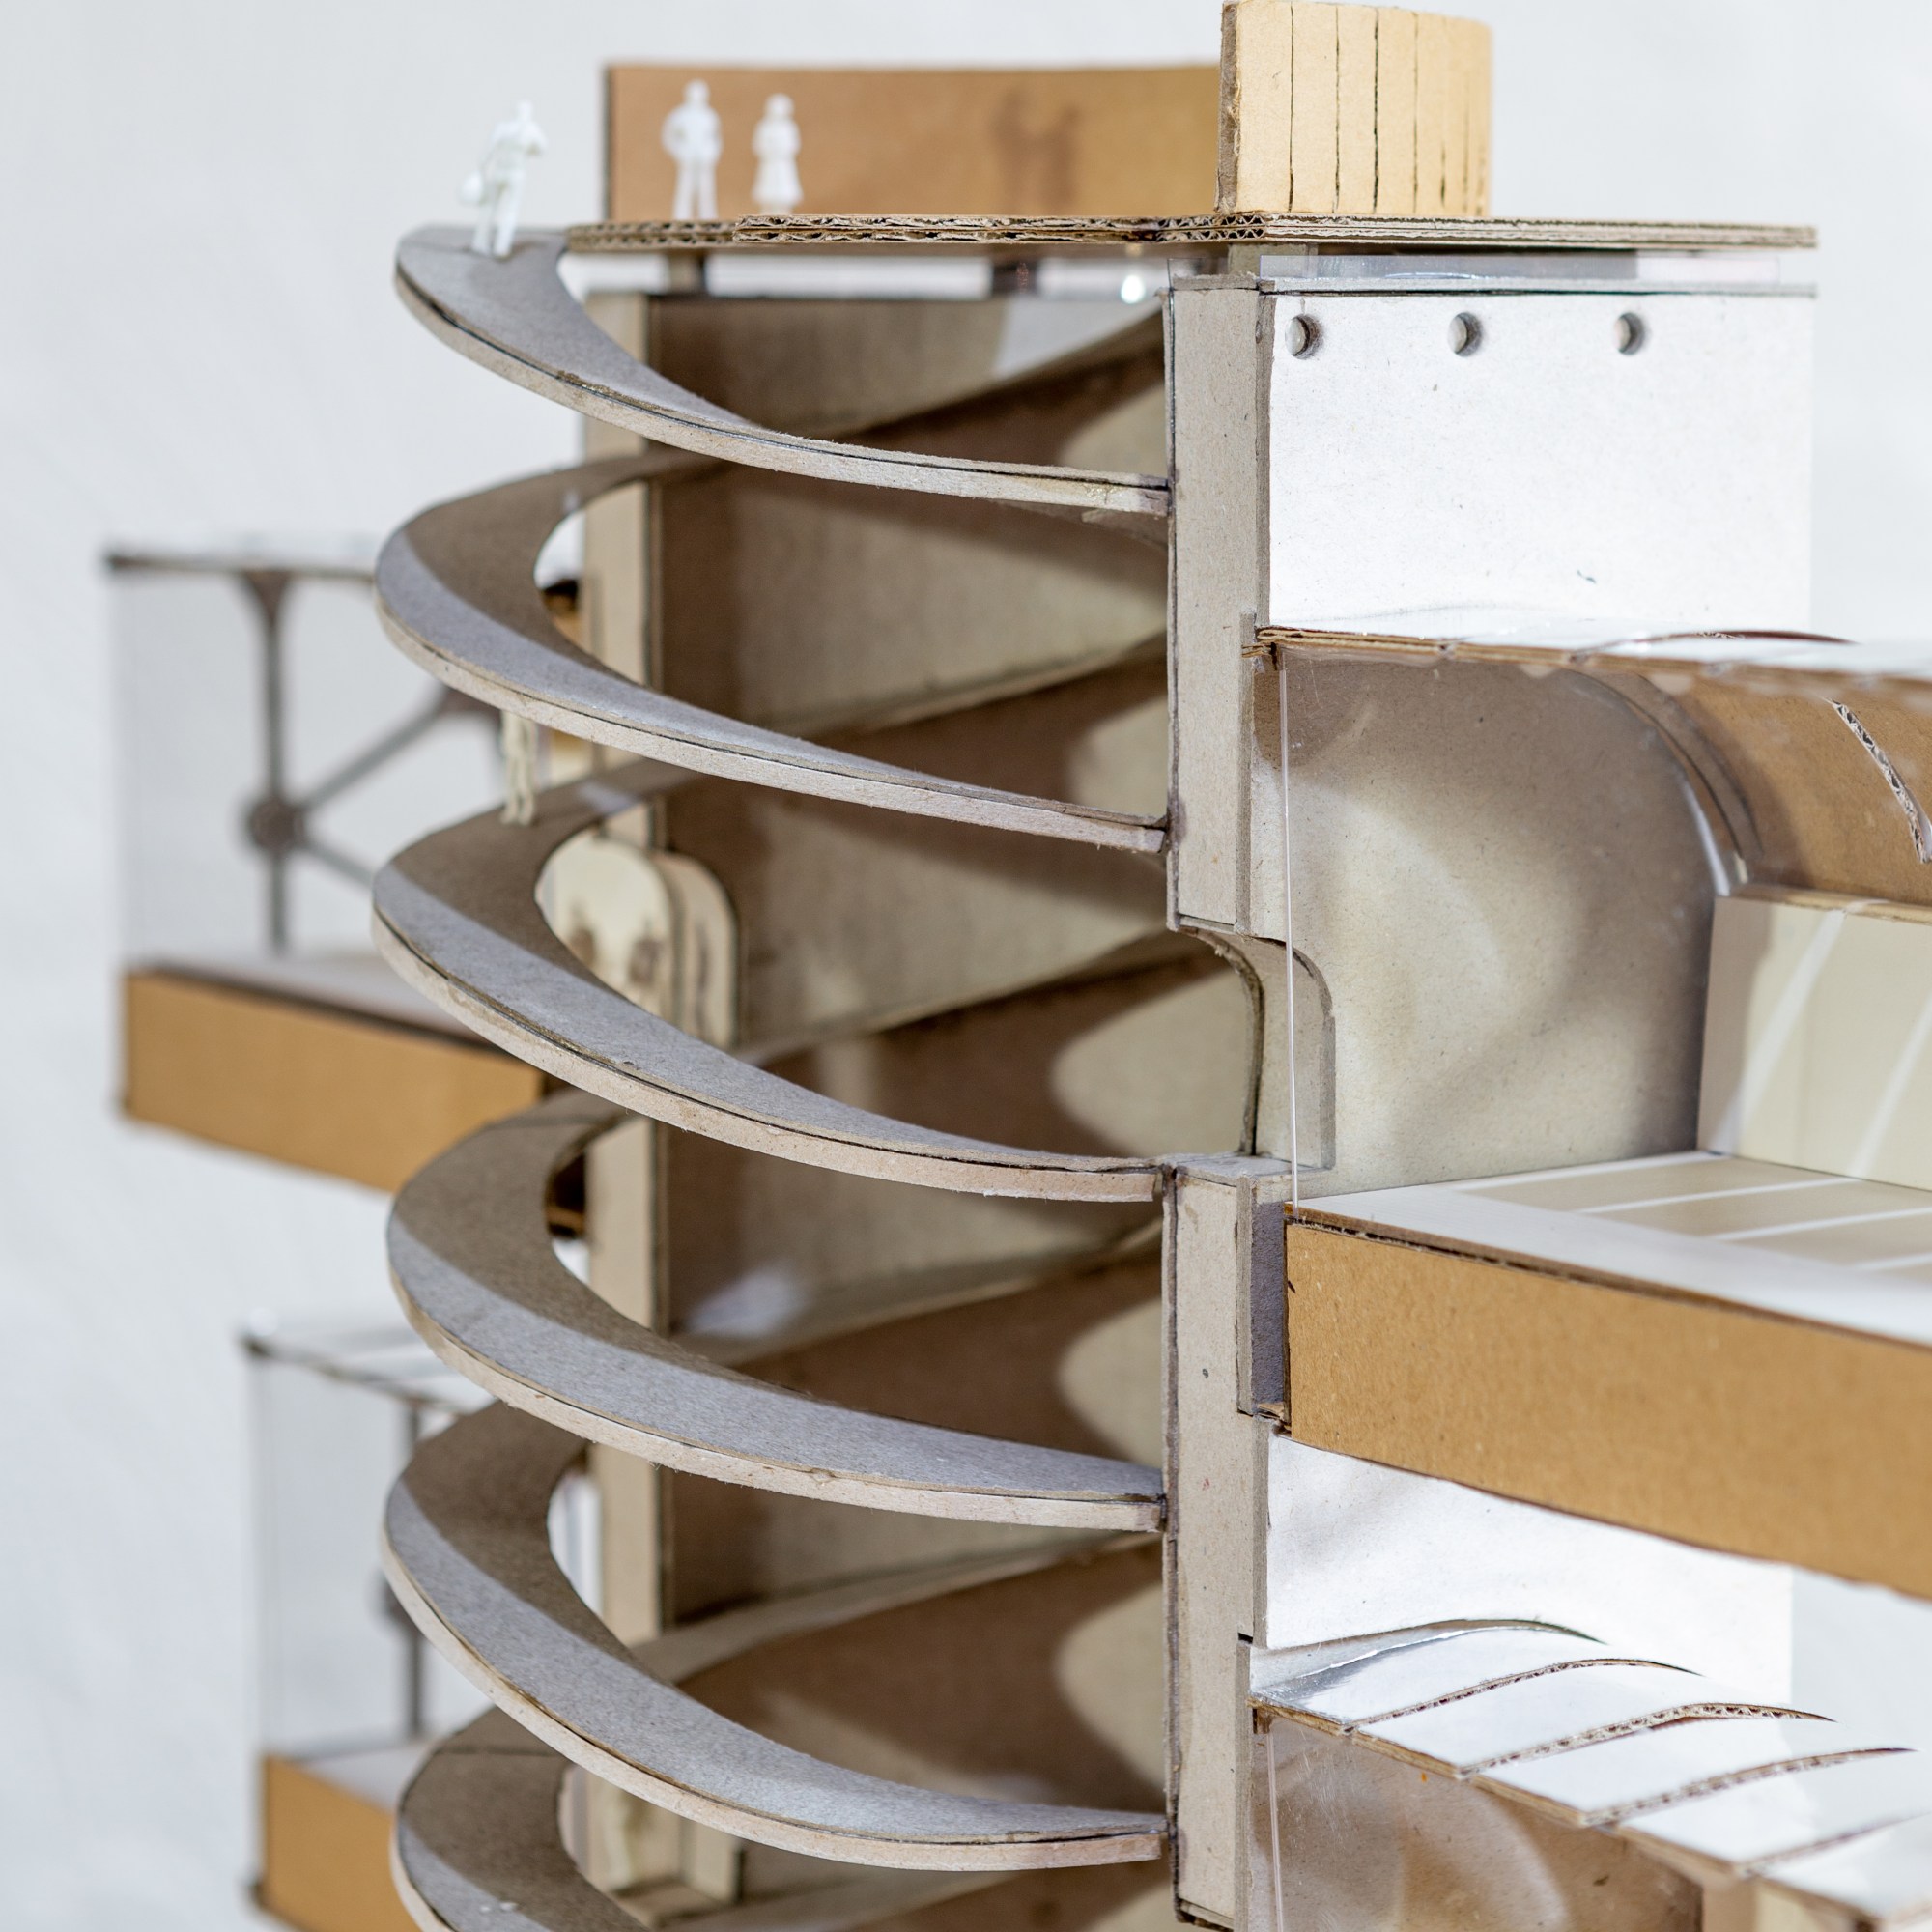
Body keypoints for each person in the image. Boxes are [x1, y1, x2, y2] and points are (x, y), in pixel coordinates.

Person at [460, 101, 547, 259]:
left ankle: (482, 243)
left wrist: (482, 168)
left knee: (491, 207)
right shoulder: (529, 129)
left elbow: (487, 152)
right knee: (508, 210)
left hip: (502, 171)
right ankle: (500, 247)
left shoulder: (504, 128)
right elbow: (541, 148)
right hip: (512, 172)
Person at [663, 80, 724, 220]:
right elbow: (669, 137)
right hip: (687, 158)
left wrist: (711, 153)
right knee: (685, 188)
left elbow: (715, 138)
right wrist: (679, 152)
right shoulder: (680, 115)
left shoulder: (709, 115)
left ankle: (708, 217)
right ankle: (681, 218)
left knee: (706, 190)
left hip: (704, 159)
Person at [752, 95, 803, 216]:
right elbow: (758, 144)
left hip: (782, 165)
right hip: (769, 164)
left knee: (783, 193)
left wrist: (781, 151)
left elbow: (793, 145)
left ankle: (784, 215)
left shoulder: (789, 127)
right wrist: (769, 151)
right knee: (768, 193)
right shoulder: (764, 126)